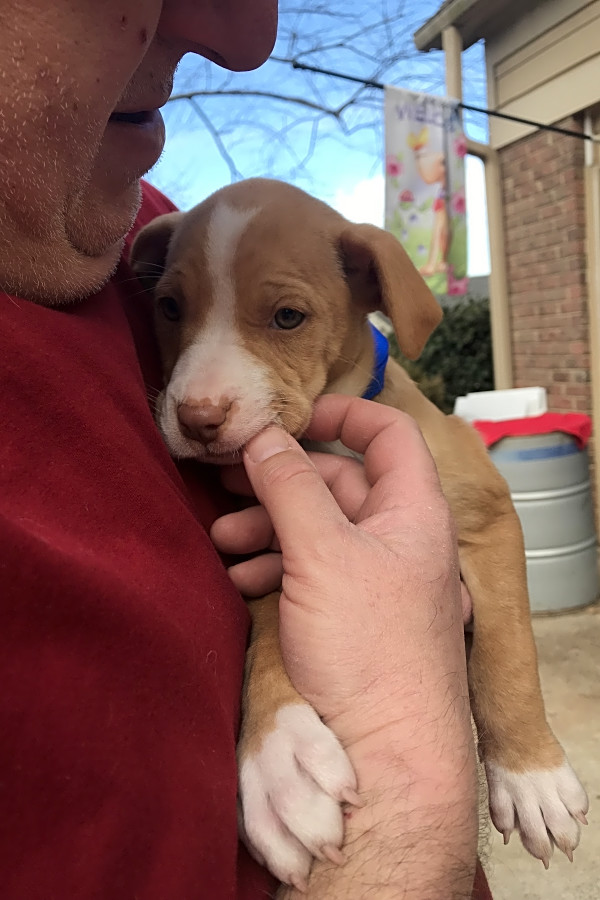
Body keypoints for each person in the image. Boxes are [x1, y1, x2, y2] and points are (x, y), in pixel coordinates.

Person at [0, 2, 490, 897]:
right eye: (174, 312)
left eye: (286, 317)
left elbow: (479, 524)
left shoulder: (145, 234)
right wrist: (409, 787)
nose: (246, 38)